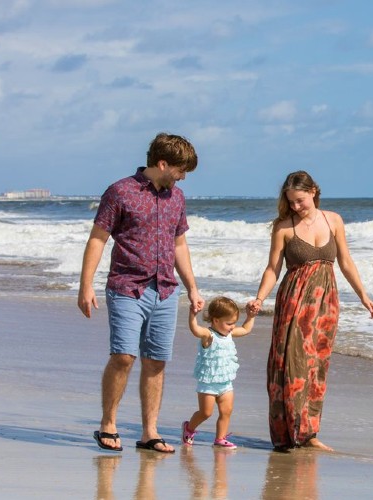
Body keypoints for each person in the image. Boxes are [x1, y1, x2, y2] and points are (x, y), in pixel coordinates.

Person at [78, 132, 205, 454]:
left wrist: (192, 288)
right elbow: (97, 239)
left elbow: (180, 244)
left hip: (165, 290)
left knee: (156, 362)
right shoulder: (120, 192)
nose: (183, 176)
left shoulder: (176, 197)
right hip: (126, 286)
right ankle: (108, 423)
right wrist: (86, 285)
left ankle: (150, 432)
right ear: (162, 163)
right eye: (180, 169)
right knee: (123, 356)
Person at [246, 170, 373, 452]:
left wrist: (363, 296)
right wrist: (259, 298)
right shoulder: (283, 227)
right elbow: (273, 268)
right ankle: (287, 434)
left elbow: (346, 261)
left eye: (300, 201)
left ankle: (309, 433)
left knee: (317, 366)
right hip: (293, 301)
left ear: (314, 192)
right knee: (290, 365)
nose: (295, 207)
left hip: (326, 304)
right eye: (291, 201)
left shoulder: (334, 220)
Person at [181, 297, 256, 450]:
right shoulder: (208, 335)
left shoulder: (229, 333)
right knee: (206, 412)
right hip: (208, 383)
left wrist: (251, 316)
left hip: (226, 382)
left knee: (226, 411)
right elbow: (195, 329)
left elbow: (246, 329)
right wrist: (192, 315)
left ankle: (220, 439)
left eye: (234, 323)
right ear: (215, 320)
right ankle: (189, 428)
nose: (232, 327)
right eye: (229, 323)